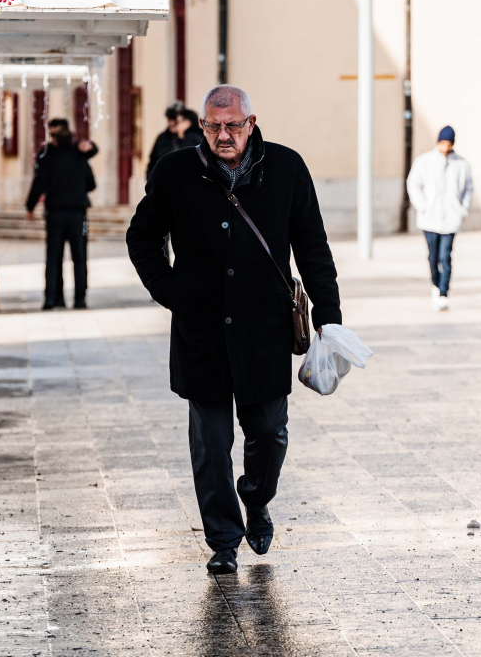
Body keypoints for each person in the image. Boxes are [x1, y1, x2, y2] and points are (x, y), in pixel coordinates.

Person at [126, 85, 341, 575]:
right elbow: (142, 236)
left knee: (269, 433)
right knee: (210, 444)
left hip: (263, 333)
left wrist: (329, 316)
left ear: (251, 123)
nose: (223, 135)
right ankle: (223, 539)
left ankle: (257, 498)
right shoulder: (176, 171)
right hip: (200, 334)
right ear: (202, 126)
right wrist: (171, 291)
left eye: (233, 126)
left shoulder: (286, 168)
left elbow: (312, 246)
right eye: (213, 126)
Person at [25, 118, 98, 310]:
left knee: (53, 257)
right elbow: (91, 183)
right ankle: (79, 300)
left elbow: (38, 182)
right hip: (77, 213)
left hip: (55, 213)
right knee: (79, 257)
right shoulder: (79, 154)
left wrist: (30, 206)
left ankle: (52, 299)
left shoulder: (47, 155)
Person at [406, 125, 473, 311]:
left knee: (446, 256)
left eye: (448, 143)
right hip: (430, 218)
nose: (445, 146)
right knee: (433, 256)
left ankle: (444, 293)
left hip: (451, 218)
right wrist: (423, 206)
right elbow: (413, 184)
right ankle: (435, 285)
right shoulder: (424, 161)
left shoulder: (461, 164)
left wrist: (462, 210)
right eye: (442, 142)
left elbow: (468, 189)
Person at [146, 101, 187, 180]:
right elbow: (152, 162)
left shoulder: (191, 137)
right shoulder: (162, 138)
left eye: (174, 119)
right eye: (169, 119)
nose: (171, 123)